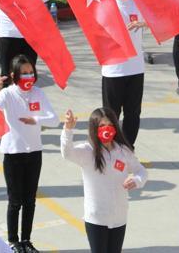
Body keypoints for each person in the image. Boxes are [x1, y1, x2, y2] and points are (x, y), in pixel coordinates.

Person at [0, 55, 59, 253]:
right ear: (14, 75)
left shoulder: (38, 93)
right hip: (13, 153)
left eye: (31, 72)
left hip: (34, 152)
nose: (29, 76)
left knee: (30, 200)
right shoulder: (8, 94)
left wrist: (36, 119)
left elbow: (54, 119)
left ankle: (26, 240)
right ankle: (13, 241)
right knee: (15, 201)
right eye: (24, 73)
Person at [61, 107, 147, 253]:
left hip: (119, 217)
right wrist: (67, 131)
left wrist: (137, 180)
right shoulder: (88, 151)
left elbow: (141, 170)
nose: (106, 129)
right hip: (96, 218)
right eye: (101, 126)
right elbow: (67, 153)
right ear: (94, 128)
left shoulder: (123, 151)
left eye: (110, 125)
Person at [101, 0, 148, 148]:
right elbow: (96, 22)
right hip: (113, 69)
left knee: (133, 113)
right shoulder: (105, 4)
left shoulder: (138, 3)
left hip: (135, 68)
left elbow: (157, 20)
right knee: (111, 114)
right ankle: (110, 149)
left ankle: (128, 148)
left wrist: (144, 24)